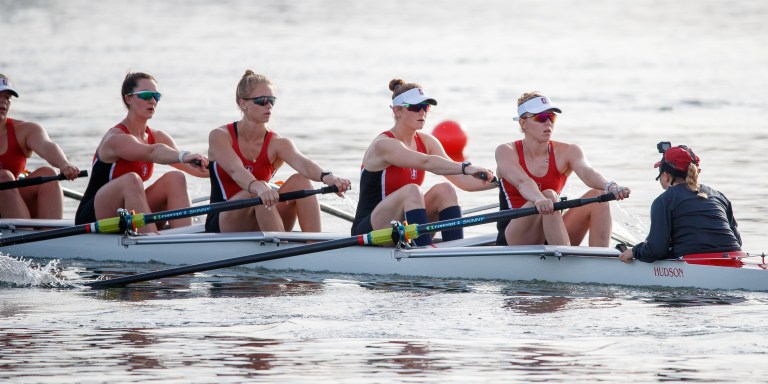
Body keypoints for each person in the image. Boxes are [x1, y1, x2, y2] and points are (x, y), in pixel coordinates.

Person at [351, 79, 495, 246]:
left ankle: (455, 250)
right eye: (414, 107)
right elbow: (427, 162)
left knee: (445, 190)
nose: (422, 112)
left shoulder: (427, 141)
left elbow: (464, 182)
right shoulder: (384, 145)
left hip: (404, 227)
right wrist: (466, 167)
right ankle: (421, 253)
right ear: (397, 111)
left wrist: (506, 182)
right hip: (370, 229)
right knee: (412, 191)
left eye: (425, 106)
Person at [206, 70, 351, 233]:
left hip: (264, 212)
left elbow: (303, 163)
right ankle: (281, 246)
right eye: (262, 100)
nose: (268, 105)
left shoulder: (277, 143)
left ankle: (313, 244)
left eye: (272, 101)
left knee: (301, 181)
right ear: (243, 103)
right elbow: (236, 170)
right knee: (258, 189)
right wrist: (259, 188)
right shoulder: (220, 136)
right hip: (225, 219)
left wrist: (329, 178)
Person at [75, 72, 208, 232]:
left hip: (128, 213)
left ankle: (186, 237)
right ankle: (151, 238)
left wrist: (237, 170)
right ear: (128, 98)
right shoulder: (116, 138)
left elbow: (195, 168)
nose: (152, 100)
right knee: (131, 180)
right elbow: (152, 152)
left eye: (156, 96)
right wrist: (184, 156)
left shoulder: (157, 136)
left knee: (176, 178)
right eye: (145, 95)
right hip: (94, 217)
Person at [495, 91, 630, 247]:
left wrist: (611, 186)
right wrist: (539, 199)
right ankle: (564, 259)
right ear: (523, 123)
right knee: (549, 195)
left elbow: (588, 173)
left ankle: (602, 261)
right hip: (516, 237)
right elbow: (522, 182)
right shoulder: (506, 151)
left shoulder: (569, 151)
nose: (548, 123)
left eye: (552, 117)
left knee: (599, 195)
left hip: (553, 229)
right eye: (541, 118)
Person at [619, 144, 741, 264]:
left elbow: (656, 250)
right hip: (735, 257)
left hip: (697, 262)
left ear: (665, 175)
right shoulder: (718, 196)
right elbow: (737, 242)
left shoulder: (664, 201)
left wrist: (635, 251)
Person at [0, 73, 81, 219]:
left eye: (7, 97)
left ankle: (49, 236)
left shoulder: (24, 130)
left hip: (9, 200)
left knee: (48, 175)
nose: (3, 102)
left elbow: (46, 145)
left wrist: (64, 164)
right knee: (3, 177)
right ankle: (26, 236)